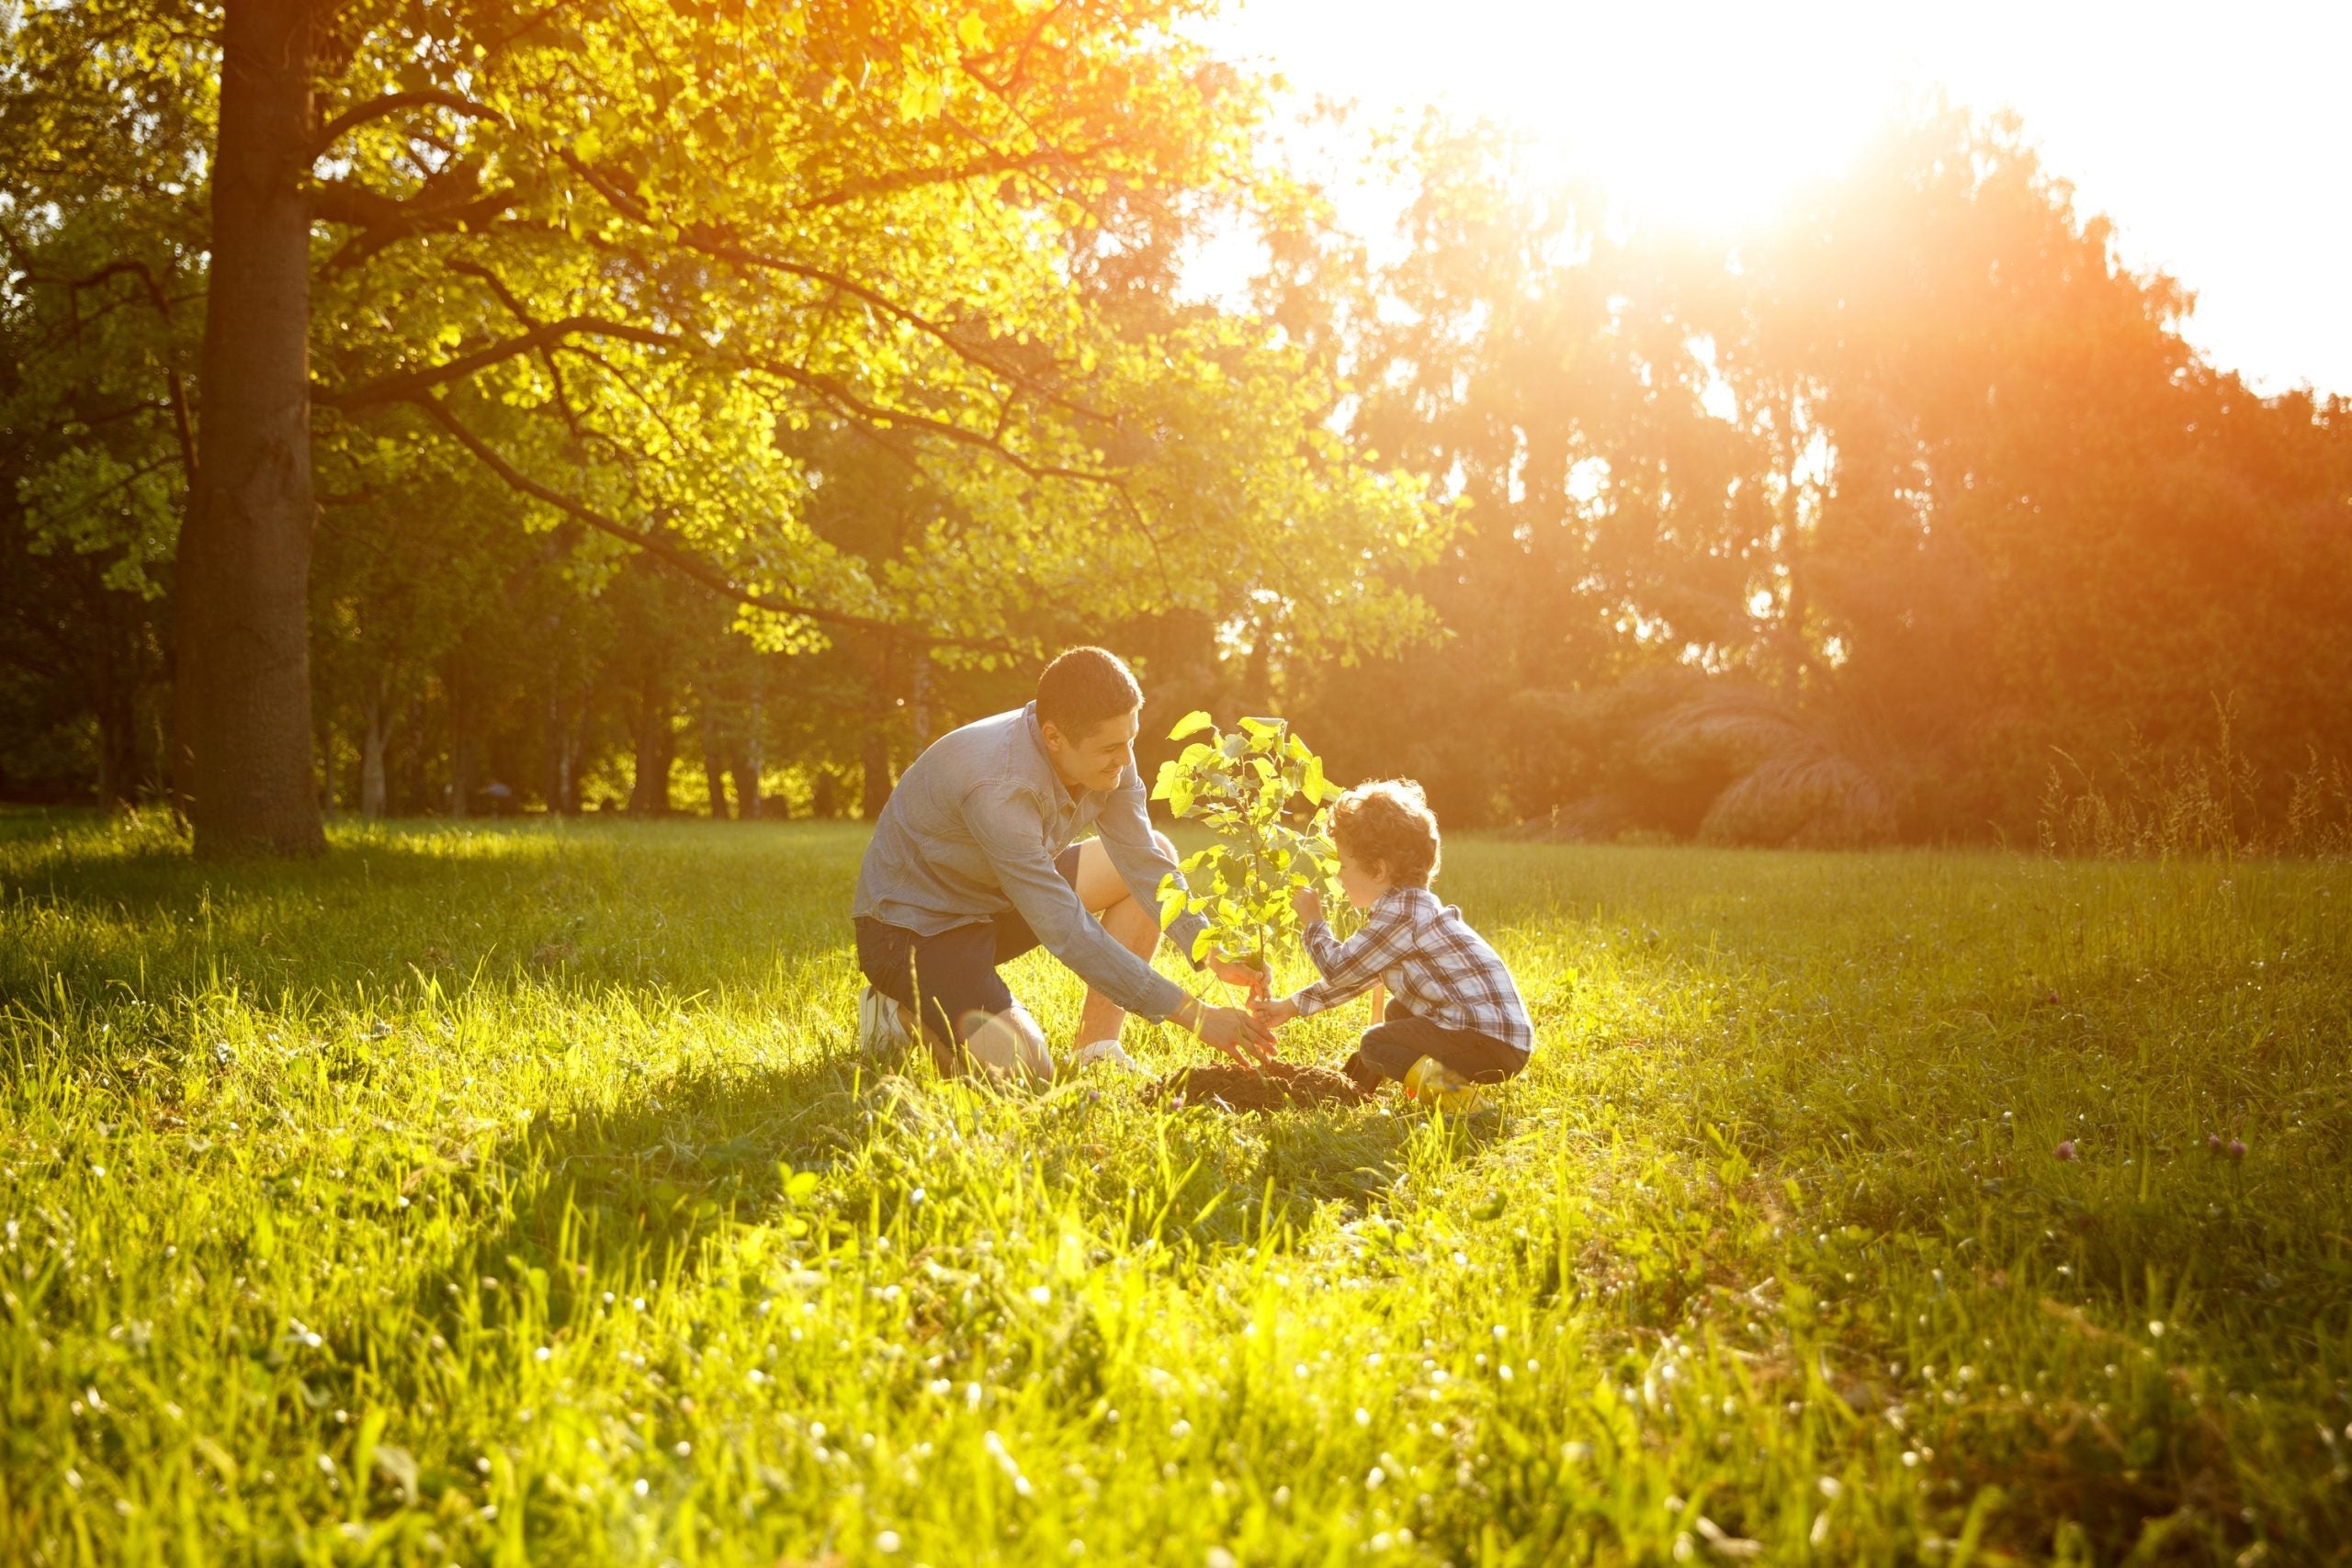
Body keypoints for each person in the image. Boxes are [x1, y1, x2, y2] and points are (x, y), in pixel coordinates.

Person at [851, 646, 1273, 1084]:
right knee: (1028, 1074)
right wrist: (1197, 1015)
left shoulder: (1108, 756)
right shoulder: (999, 788)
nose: (1126, 760)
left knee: (1161, 850)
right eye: (1111, 746)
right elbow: (1067, 930)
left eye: (1131, 739)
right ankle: (896, 1014)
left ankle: (1097, 1048)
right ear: (1054, 737)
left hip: (995, 901)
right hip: (914, 932)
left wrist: (1211, 949)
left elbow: (1142, 860)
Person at [1252, 779, 1531, 1112]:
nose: (1339, 876)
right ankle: (1357, 1091)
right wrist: (1293, 1006)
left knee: (1377, 1043)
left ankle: (1462, 1102)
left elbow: (1340, 969)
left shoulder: (1400, 916)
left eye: (1343, 865)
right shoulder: (1410, 908)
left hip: (1488, 1041)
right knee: (1398, 1014)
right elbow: (1359, 976)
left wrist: (1314, 922)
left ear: (1378, 869)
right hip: (1495, 1038)